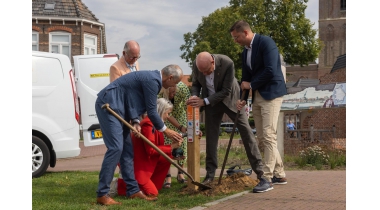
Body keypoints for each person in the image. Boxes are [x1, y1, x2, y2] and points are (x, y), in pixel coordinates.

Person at [95, 64, 184, 205]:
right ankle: (102, 194)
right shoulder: (153, 81)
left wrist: (136, 121)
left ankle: (133, 190)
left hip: (120, 108)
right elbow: (152, 111)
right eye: (175, 83)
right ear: (170, 77)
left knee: (127, 151)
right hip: (109, 104)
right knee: (116, 148)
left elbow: (132, 100)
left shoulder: (151, 79)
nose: (174, 86)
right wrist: (166, 130)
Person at [186, 51, 264, 185]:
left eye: (207, 71)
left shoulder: (227, 63)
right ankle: (210, 175)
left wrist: (204, 101)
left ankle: (261, 172)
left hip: (230, 100)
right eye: (201, 71)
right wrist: (194, 96)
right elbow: (196, 84)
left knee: (246, 132)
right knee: (211, 137)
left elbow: (226, 91)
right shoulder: (197, 64)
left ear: (212, 62)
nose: (204, 74)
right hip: (211, 103)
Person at [230, 20, 288, 193]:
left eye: (237, 37)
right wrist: (243, 98)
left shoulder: (266, 43)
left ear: (246, 33)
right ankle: (280, 174)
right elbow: (245, 80)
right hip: (256, 96)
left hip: (271, 93)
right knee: (262, 137)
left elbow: (271, 70)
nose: (235, 41)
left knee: (269, 135)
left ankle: (267, 178)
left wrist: (252, 85)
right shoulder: (245, 53)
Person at [131, 98, 182, 197]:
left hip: (147, 161)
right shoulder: (148, 125)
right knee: (152, 193)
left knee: (167, 158)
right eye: (167, 113)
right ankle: (137, 185)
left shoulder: (155, 125)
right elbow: (151, 150)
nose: (168, 116)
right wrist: (171, 146)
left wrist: (172, 151)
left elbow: (157, 146)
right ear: (161, 111)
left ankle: (152, 183)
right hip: (140, 166)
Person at [158, 82, 190, 188]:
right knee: (167, 146)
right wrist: (178, 127)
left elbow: (188, 107)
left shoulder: (183, 89)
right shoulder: (159, 90)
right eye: (171, 93)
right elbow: (167, 114)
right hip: (166, 118)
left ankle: (180, 173)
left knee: (182, 145)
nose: (173, 94)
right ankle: (168, 176)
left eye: (174, 92)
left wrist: (189, 125)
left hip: (181, 117)